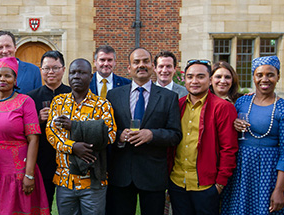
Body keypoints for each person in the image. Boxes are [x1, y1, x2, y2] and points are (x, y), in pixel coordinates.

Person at [0, 57, 50, 214]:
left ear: (15, 79)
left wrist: (29, 175)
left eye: (8, 76)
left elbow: (33, 139)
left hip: (16, 171)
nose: (3, 79)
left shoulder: (25, 101)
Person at [105, 48, 182, 215]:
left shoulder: (168, 97)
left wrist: (151, 135)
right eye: (136, 62)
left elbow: (175, 134)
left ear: (153, 66)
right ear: (128, 68)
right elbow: (107, 130)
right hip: (121, 173)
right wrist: (120, 137)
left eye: (146, 61)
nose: (141, 65)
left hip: (153, 174)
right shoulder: (113, 95)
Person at [222, 56, 284, 214]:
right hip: (241, 171)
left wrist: (279, 189)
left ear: (278, 77)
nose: (265, 79)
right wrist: (234, 124)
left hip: (268, 171)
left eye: (270, 74)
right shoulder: (242, 102)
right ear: (253, 77)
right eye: (259, 74)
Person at [166, 59, 238, 215]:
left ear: (210, 80)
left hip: (206, 185)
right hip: (178, 183)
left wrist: (220, 183)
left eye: (200, 76)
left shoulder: (223, 108)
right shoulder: (177, 105)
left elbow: (229, 148)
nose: (194, 81)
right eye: (190, 77)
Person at [46, 59, 116, 215]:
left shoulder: (102, 105)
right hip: (64, 179)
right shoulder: (58, 102)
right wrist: (73, 147)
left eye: (81, 73)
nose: (76, 76)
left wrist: (75, 126)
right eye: (72, 73)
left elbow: (110, 135)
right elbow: (51, 133)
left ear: (91, 77)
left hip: (92, 180)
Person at [26, 50, 72, 211]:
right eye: (46, 68)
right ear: (41, 70)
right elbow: (25, 132)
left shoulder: (72, 94)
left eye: (55, 68)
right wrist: (38, 120)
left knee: (68, 206)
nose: (50, 72)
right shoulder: (31, 97)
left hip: (68, 159)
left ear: (63, 70)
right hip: (42, 158)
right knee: (41, 205)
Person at [0, 30, 43, 99]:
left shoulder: (33, 70)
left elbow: (38, 99)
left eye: (8, 46)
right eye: (0, 48)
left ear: (15, 48)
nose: (5, 51)